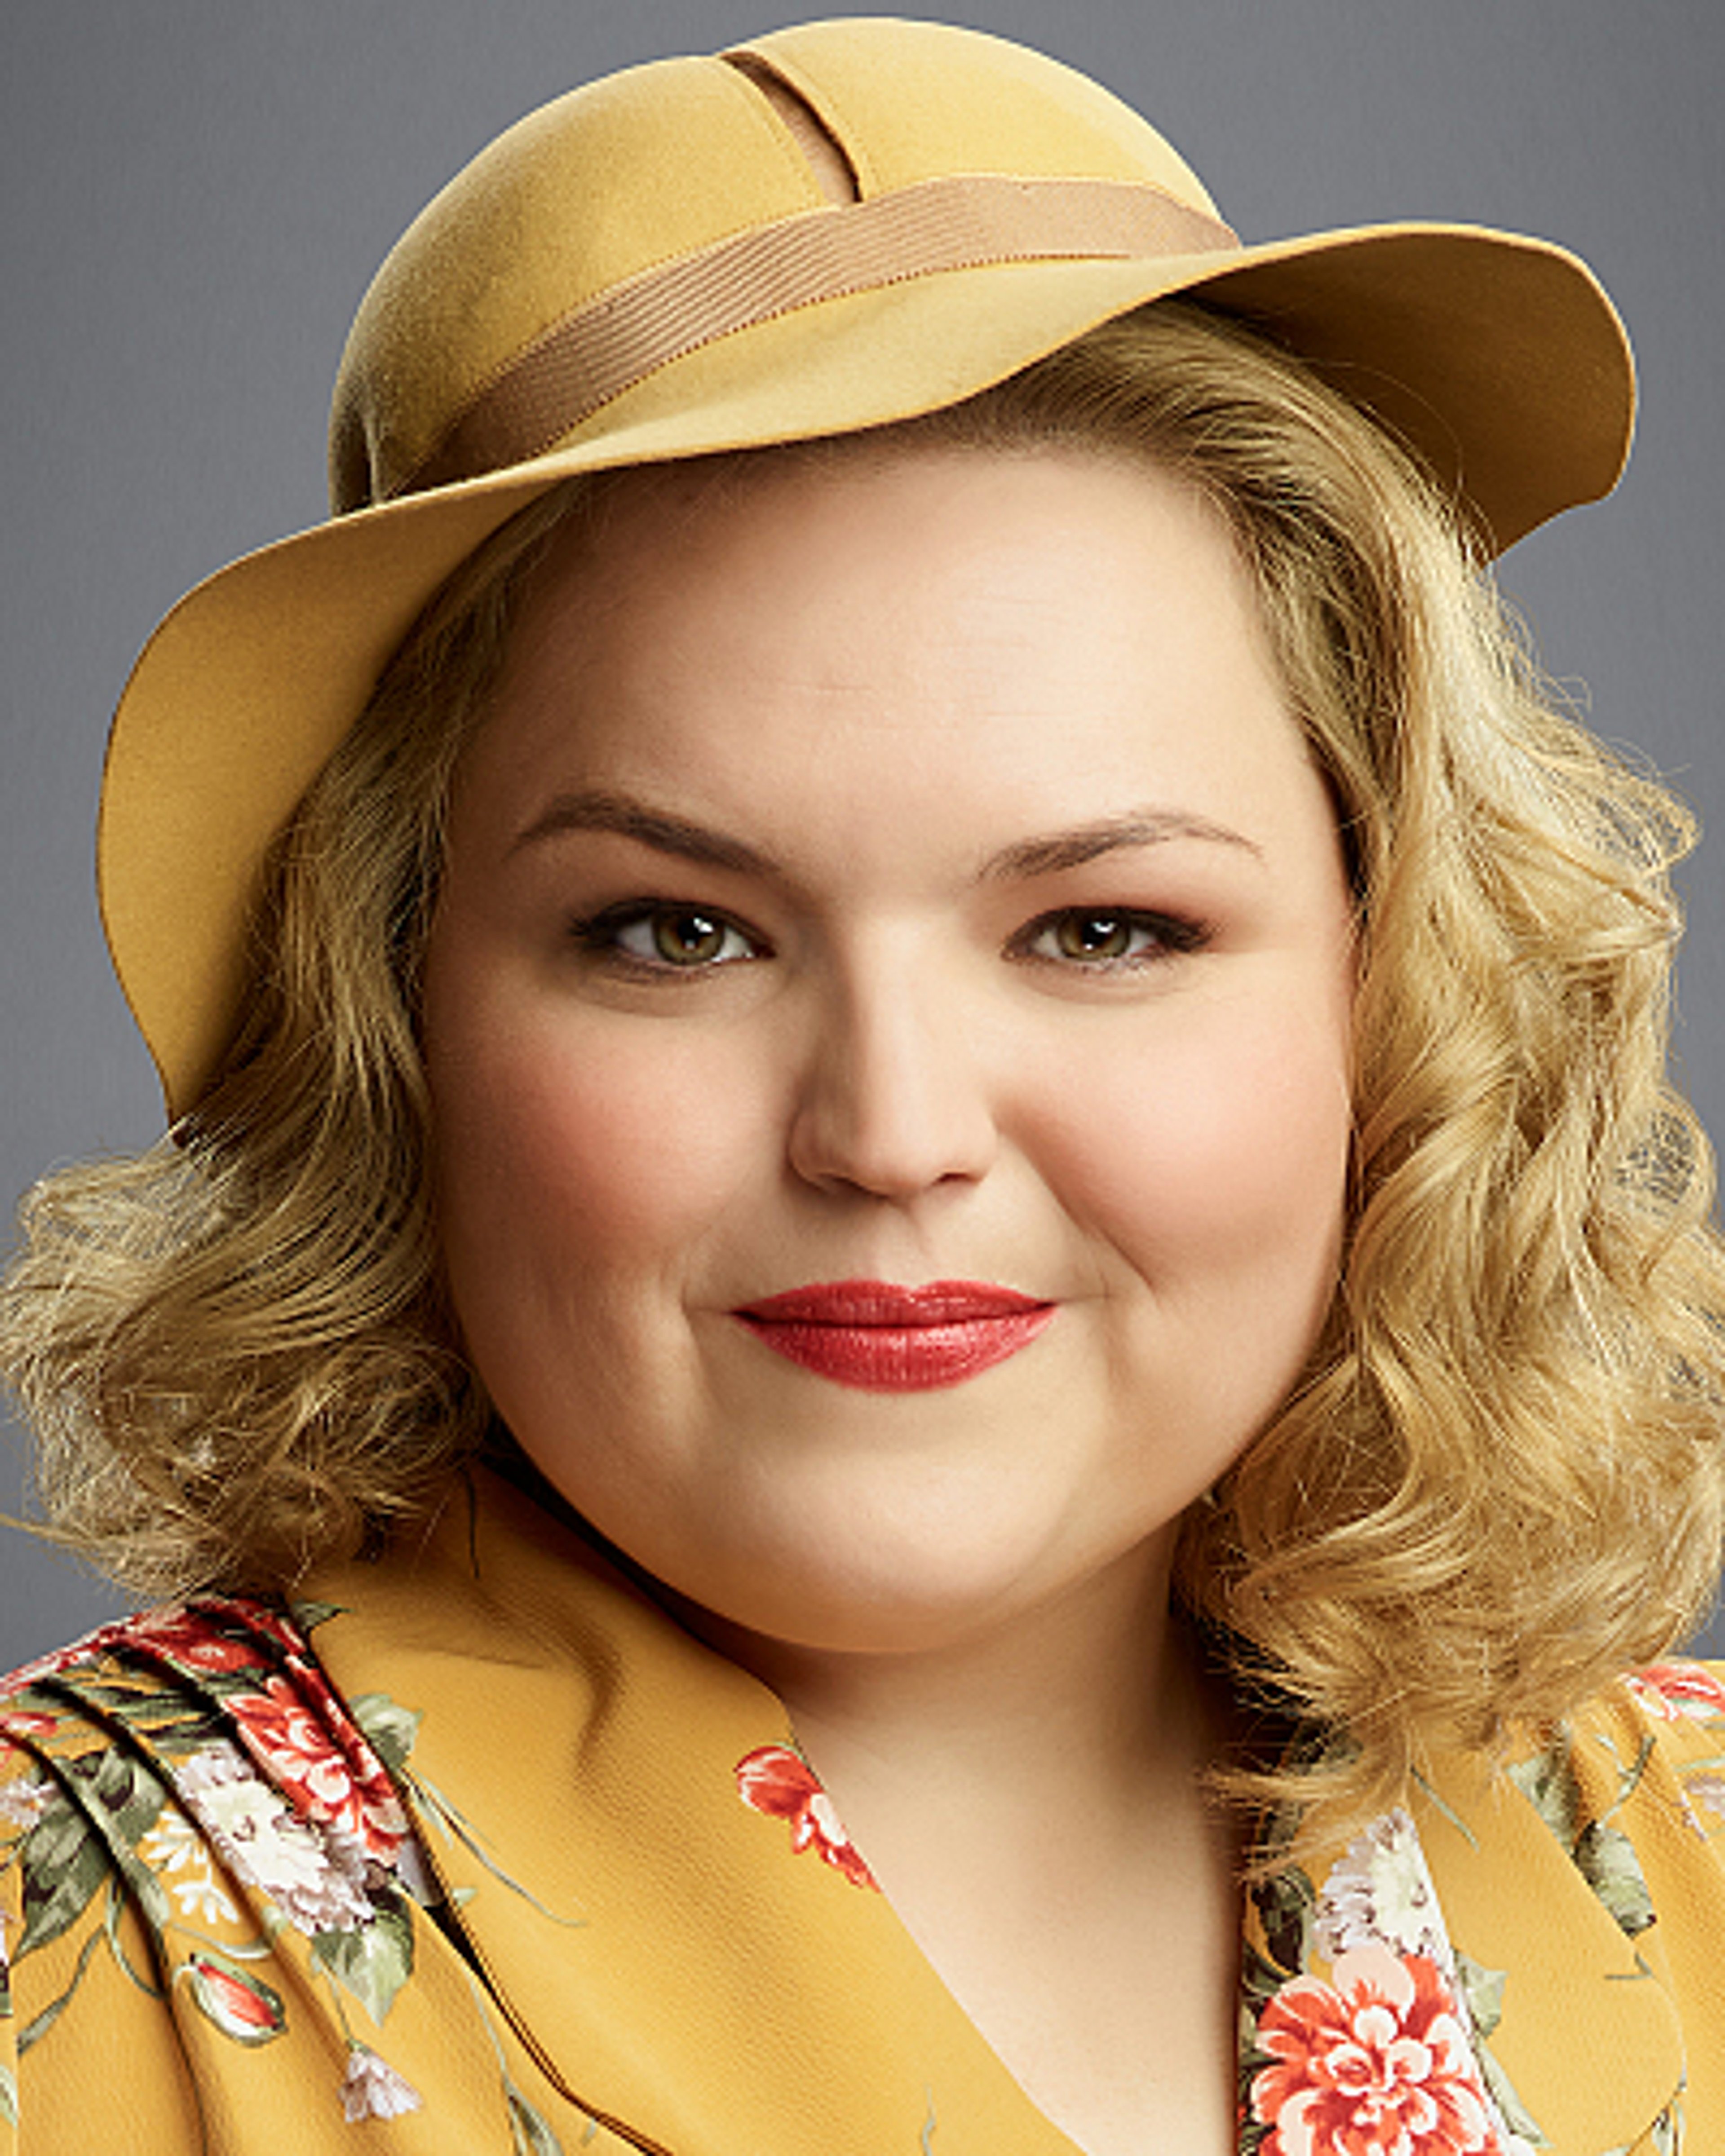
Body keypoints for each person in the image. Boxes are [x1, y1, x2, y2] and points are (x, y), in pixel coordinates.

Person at [1, 17, 1722, 2153]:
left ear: (1394, 993)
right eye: (676, 932)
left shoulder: (1706, 1873)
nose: (894, 1132)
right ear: (394, 1015)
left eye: (1103, 931)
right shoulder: (60, 1978)